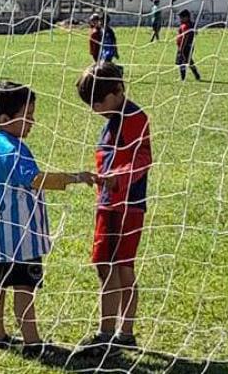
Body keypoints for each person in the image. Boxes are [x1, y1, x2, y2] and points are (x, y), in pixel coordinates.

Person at [0, 82, 95, 358]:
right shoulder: (13, 150)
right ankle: (32, 342)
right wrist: (75, 177)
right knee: (24, 288)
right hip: (21, 238)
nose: (33, 121)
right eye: (28, 116)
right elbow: (35, 179)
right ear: (5, 119)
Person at [74, 62, 152, 358]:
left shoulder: (134, 117)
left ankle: (121, 333)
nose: (95, 109)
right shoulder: (111, 117)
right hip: (107, 204)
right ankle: (108, 332)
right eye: (90, 104)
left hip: (128, 206)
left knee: (122, 268)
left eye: (99, 102)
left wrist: (118, 176)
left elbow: (143, 158)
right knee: (103, 265)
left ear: (118, 91)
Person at [176, 9, 201, 81]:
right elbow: (196, 32)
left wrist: (181, 48)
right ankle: (197, 75)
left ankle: (183, 78)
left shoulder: (185, 26)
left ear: (186, 17)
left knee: (182, 62)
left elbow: (185, 38)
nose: (180, 19)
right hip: (190, 46)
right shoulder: (191, 24)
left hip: (184, 47)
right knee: (189, 61)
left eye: (181, 17)